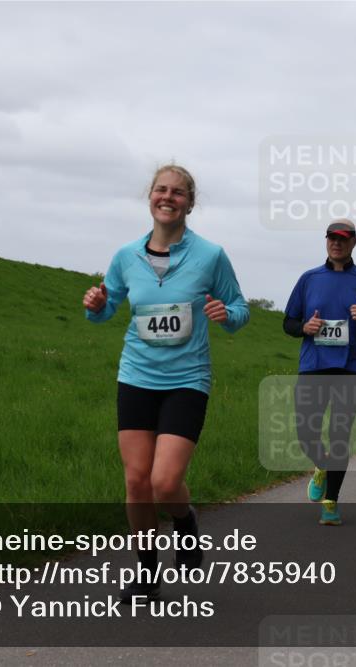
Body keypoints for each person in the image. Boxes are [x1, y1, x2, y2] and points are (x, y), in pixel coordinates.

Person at [84, 164, 249, 602]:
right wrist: (97, 304)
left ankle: (186, 518)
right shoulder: (125, 256)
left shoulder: (211, 255)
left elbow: (239, 307)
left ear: (189, 203)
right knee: (136, 482)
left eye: (178, 192)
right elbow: (106, 309)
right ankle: (146, 573)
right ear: (150, 197)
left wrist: (226, 315)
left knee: (164, 482)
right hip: (136, 375)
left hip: (186, 380)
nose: (168, 197)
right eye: (161, 189)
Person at [283, 219, 356, 525]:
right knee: (306, 432)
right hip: (313, 365)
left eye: (343, 239)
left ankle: (331, 503)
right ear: (326, 240)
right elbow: (288, 322)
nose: (337, 243)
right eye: (332, 237)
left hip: (350, 369)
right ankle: (321, 465)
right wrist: (304, 327)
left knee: (339, 435)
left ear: (354, 243)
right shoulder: (309, 279)